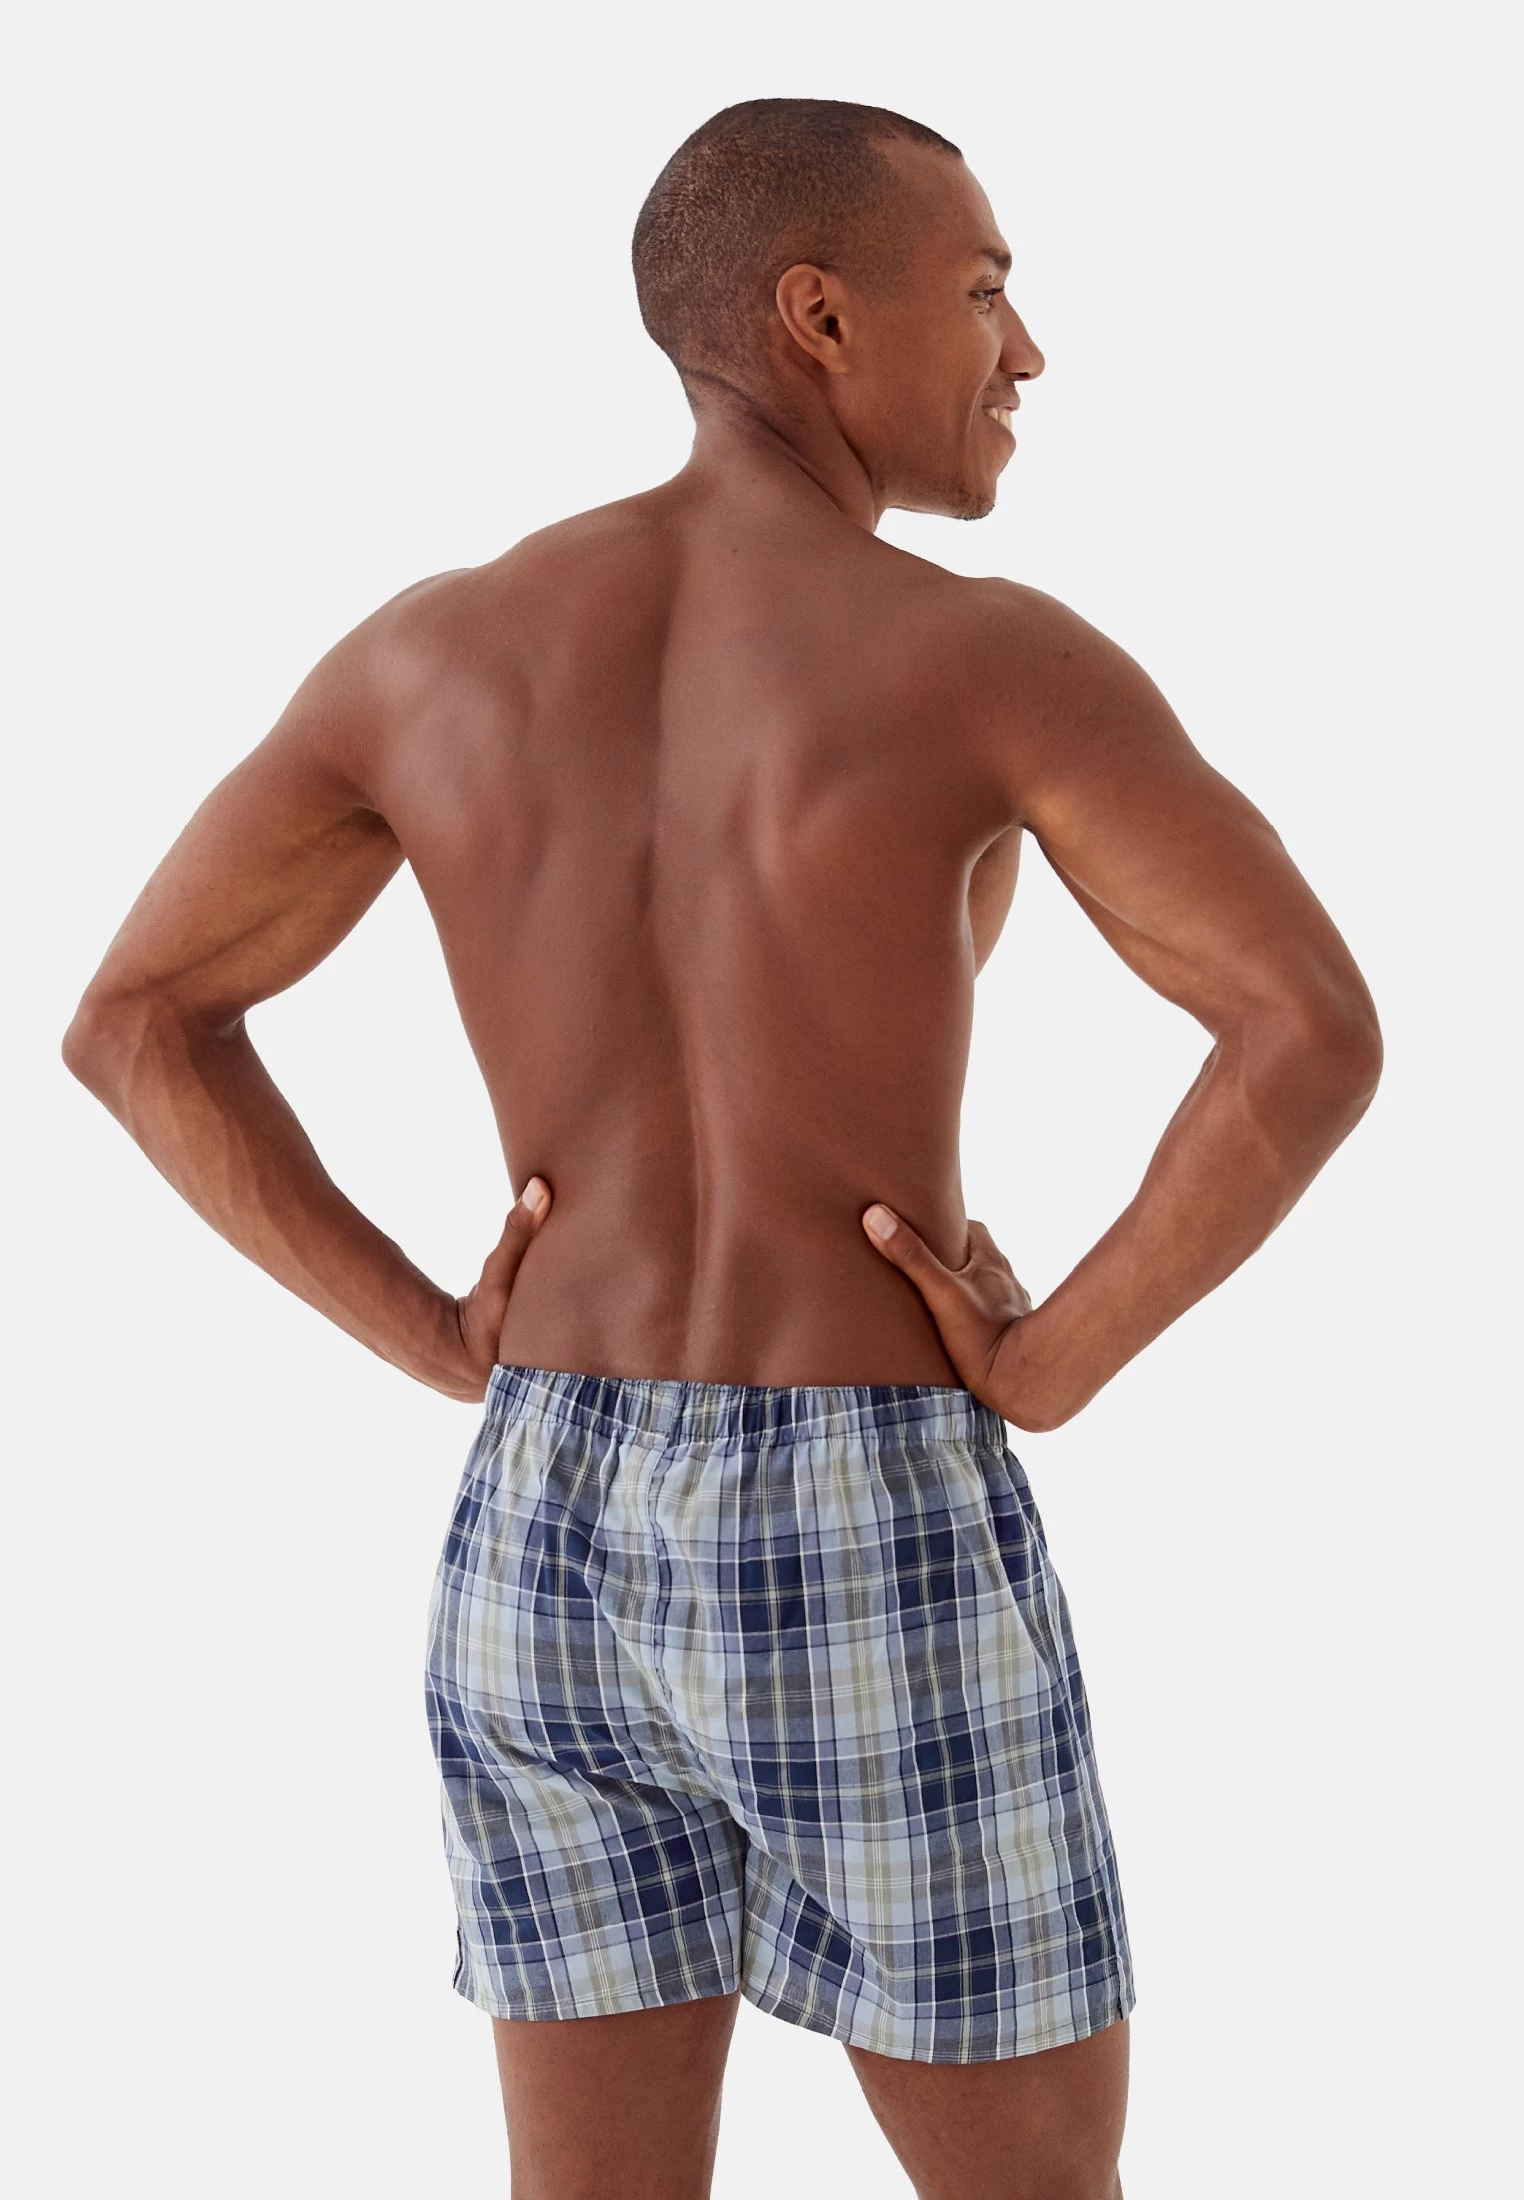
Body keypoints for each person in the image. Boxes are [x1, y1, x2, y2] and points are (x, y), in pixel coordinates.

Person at [62, 97, 1381, 2200]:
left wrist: (443, 1336)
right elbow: (1305, 1027)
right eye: (985, 291)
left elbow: (137, 1020)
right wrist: (1050, 1361)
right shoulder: (987, 660)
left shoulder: (431, 653)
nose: (1027, 349)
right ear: (818, 318)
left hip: (541, 1521)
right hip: (863, 1507)